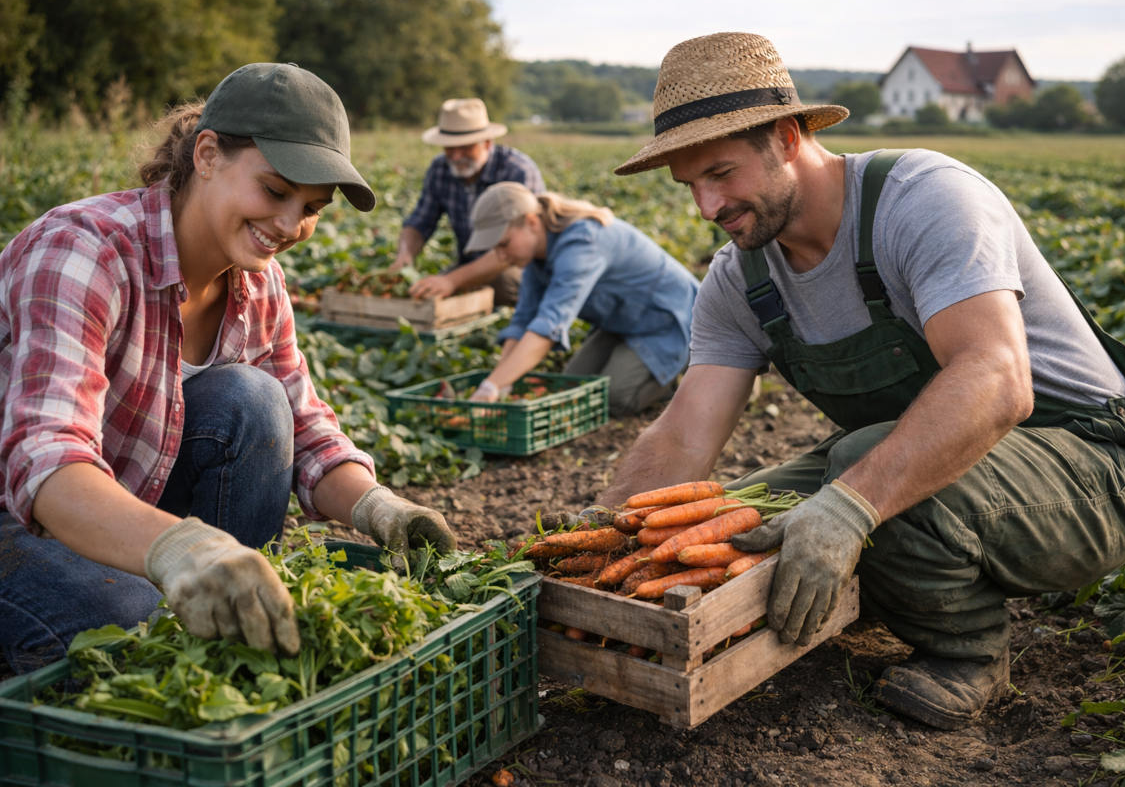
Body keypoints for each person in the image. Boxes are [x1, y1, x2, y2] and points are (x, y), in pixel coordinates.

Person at [596, 32, 1125, 729]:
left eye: (721, 172)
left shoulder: (922, 200)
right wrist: (605, 544)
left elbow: (997, 379)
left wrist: (849, 507)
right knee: (744, 511)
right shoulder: (738, 278)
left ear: (785, 136)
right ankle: (887, 577)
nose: (707, 206)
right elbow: (685, 433)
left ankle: (968, 654)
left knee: (852, 476)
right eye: (689, 184)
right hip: (955, 460)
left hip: (1090, 467)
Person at [0, 62, 457, 675]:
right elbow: (47, 460)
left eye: (312, 207)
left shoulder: (258, 282)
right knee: (135, 625)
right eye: (275, 191)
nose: (291, 225)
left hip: (118, 507)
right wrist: (177, 546)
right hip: (19, 519)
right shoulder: (84, 251)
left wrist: (382, 509)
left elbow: (305, 426)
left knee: (256, 401)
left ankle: (219, 611)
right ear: (208, 154)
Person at [462, 182, 699, 418]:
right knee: (572, 388)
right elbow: (523, 320)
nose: (501, 256)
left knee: (614, 398)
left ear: (532, 222)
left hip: (670, 320)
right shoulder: (537, 259)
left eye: (504, 244)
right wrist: (500, 380)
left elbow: (548, 326)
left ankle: (684, 370)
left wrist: (491, 386)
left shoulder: (582, 242)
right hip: (622, 323)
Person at [393, 98, 545, 307]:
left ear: (487, 142)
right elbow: (420, 221)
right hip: (469, 264)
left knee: (502, 283)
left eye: (465, 147)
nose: (455, 156)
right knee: (423, 292)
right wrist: (405, 254)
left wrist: (452, 280)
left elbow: (517, 247)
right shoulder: (440, 169)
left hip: (516, 265)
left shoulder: (517, 170)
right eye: (449, 148)